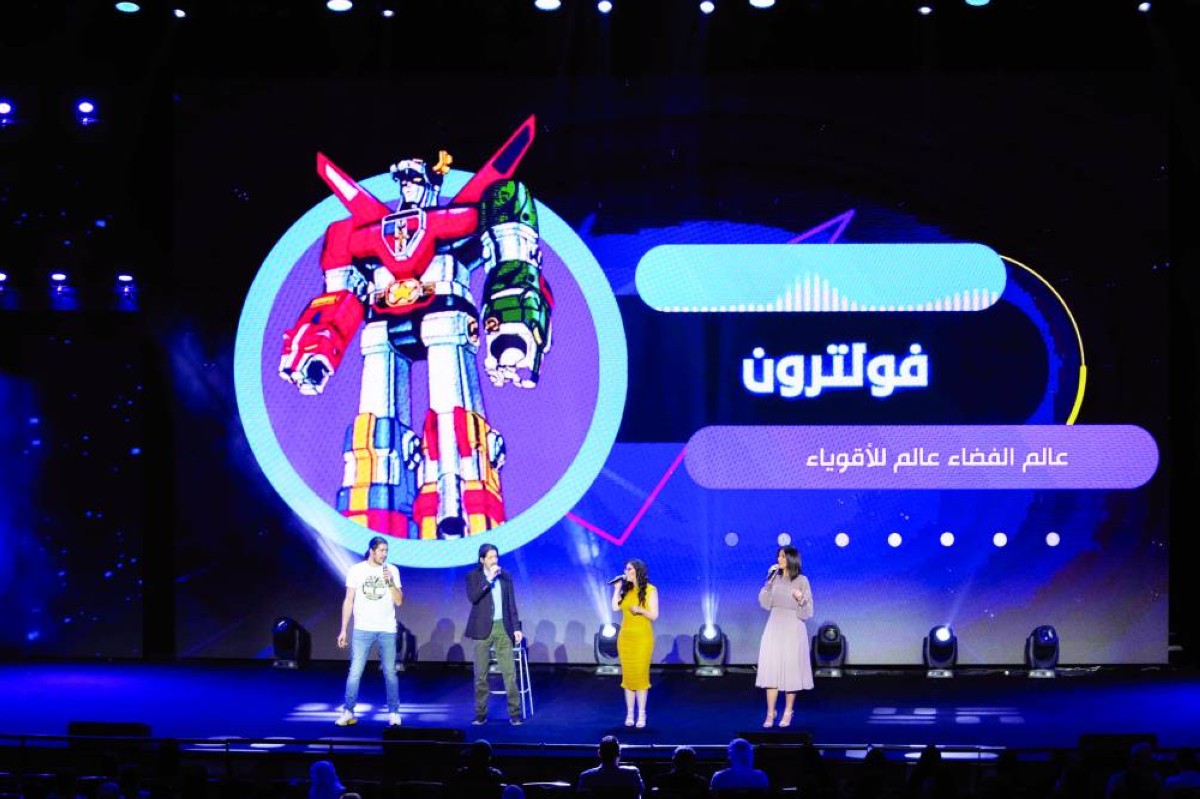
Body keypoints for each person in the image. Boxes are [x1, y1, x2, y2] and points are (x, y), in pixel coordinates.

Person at [335, 536, 403, 726]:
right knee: (355, 672)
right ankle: (348, 711)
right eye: (381, 550)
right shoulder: (356, 570)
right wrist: (343, 629)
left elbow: (399, 601)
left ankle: (394, 712)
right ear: (372, 551)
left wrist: (390, 582)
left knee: (390, 673)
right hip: (362, 629)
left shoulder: (392, 570)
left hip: (387, 628)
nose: (385, 554)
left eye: (386, 551)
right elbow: (349, 600)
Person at [465, 543, 525, 726]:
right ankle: (480, 714)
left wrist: (516, 627)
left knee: (509, 673)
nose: (494, 560)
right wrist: (489, 579)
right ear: (482, 559)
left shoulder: (505, 576)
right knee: (480, 675)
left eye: (496, 556)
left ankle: (515, 713)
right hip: (481, 628)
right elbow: (473, 597)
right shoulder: (473, 576)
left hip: (503, 628)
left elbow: (511, 604)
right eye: (490, 557)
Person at [755, 545, 814, 728]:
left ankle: (788, 712)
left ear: (791, 559)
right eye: (778, 556)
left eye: (782, 556)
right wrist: (768, 582)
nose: (779, 559)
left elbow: (808, 612)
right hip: (774, 625)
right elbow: (765, 603)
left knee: (791, 672)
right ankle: (770, 712)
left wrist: (801, 600)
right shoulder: (775, 578)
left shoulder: (802, 580)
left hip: (793, 628)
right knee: (771, 670)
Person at [612, 558, 659, 728]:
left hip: (642, 639)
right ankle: (630, 713)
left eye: (629, 568)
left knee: (640, 676)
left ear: (637, 571)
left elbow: (654, 615)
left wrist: (641, 610)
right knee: (628, 677)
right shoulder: (626, 589)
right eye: (625, 568)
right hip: (625, 639)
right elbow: (615, 607)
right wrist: (617, 588)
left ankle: (642, 714)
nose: (626, 571)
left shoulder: (651, 590)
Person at [577, 735, 644, 798]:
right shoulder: (632, 774)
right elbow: (638, 795)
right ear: (619, 754)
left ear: (599, 753)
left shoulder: (586, 777)